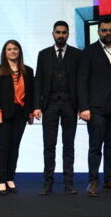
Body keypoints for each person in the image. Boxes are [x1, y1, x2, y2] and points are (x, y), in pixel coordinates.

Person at [77, 18, 111, 197]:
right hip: (96, 108)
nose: (108, 33)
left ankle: (109, 180)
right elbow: (82, 80)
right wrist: (84, 107)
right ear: (98, 32)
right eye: (104, 30)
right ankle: (93, 181)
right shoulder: (89, 52)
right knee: (95, 146)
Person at [33, 21, 81, 195]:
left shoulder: (77, 54)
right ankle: (48, 182)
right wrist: (36, 106)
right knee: (49, 145)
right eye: (58, 32)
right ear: (53, 33)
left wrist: (81, 106)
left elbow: (81, 82)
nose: (61, 35)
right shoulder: (43, 54)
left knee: (69, 145)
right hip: (50, 105)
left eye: (64, 32)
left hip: (70, 104)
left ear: (68, 34)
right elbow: (38, 81)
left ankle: (69, 183)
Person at [0, 40, 35, 196]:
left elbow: (31, 94)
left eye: (15, 49)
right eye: (9, 49)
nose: (12, 51)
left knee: (15, 146)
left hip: (21, 114)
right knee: (4, 146)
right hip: (2, 114)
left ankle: (10, 178)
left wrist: (30, 112)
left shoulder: (28, 71)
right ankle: (1, 180)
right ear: (5, 52)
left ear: (19, 51)